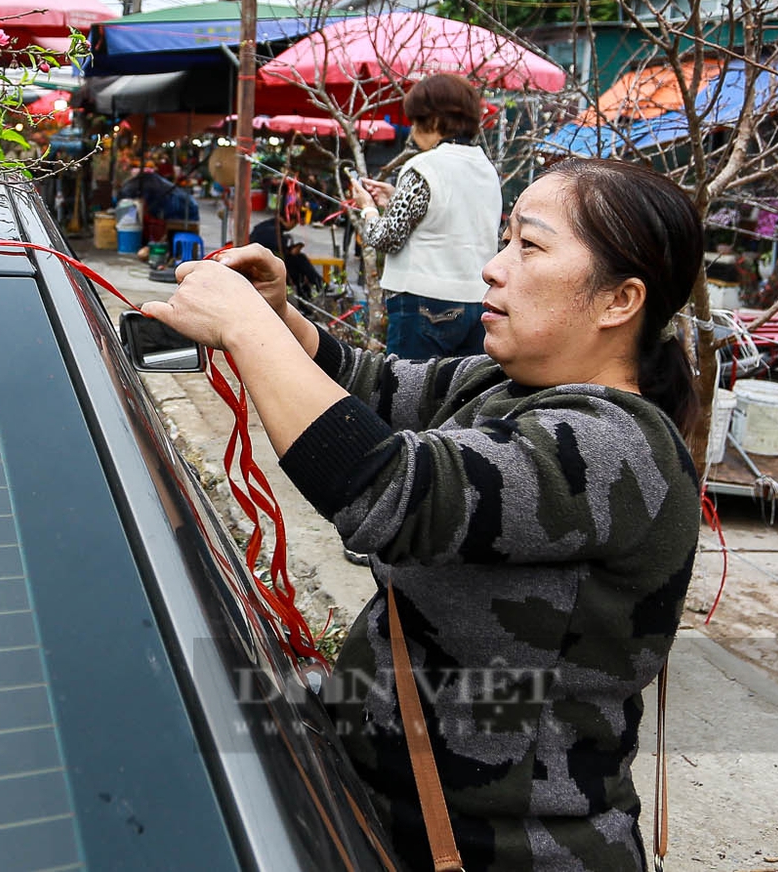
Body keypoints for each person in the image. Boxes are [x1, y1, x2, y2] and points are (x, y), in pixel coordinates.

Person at [142, 157, 704, 871]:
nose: (493, 268)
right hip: (397, 810)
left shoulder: (616, 447)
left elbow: (389, 491)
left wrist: (247, 328)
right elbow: (370, 384)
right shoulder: (503, 381)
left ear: (619, 300)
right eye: (505, 240)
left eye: (528, 247)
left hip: (504, 847)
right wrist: (282, 315)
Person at [352, 74, 502, 358]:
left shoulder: (424, 165)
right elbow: (450, 213)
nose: (412, 130)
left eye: (416, 120)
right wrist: (396, 196)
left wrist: (369, 207)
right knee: (457, 397)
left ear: (433, 120)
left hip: (423, 304)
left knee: (408, 396)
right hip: (476, 301)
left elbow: (385, 238)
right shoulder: (485, 166)